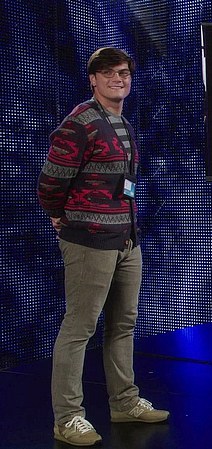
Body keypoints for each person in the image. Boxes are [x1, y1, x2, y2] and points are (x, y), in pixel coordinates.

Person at [37, 47, 169, 447]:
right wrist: (58, 214)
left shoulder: (123, 123)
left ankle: (124, 402)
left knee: (123, 325)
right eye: (109, 72)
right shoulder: (80, 123)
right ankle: (67, 418)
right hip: (90, 241)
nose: (118, 78)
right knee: (79, 328)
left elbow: (125, 185)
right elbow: (50, 182)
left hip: (126, 239)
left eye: (124, 72)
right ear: (93, 79)